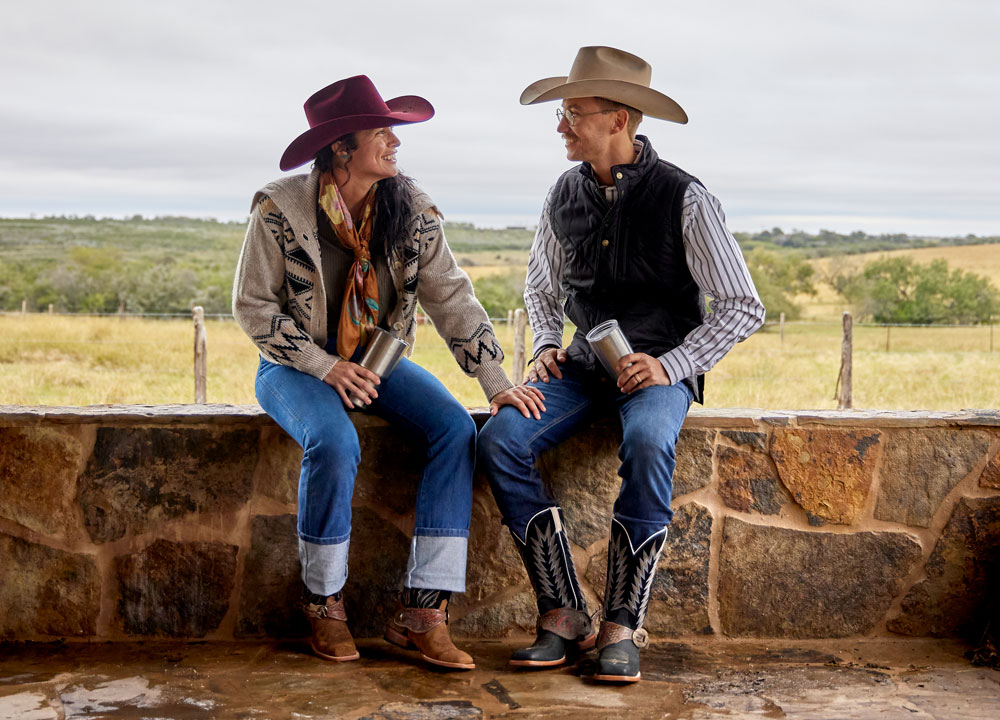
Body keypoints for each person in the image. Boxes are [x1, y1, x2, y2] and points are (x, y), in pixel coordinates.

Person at [233, 75, 543, 670]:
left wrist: (497, 382)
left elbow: (450, 294)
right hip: (293, 366)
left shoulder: (412, 210)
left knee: (455, 428)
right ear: (342, 148)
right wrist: (325, 367)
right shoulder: (280, 209)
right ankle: (324, 606)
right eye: (382, 133)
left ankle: (424, 612)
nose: (395, 144)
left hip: (378, 362)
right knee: (334, 439)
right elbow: (253, 308)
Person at [478, 47, 765, 683]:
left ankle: (620, 625)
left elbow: (744, 306)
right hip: (581, 369)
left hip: (661, 368)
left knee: (646, 438)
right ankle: (562, 614)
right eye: (562, 111)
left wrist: (674, 364)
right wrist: (548, 343)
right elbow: (540, 287)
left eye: (574, 113)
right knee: (499, 436)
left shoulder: (688, 198)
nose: (562, 125)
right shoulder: (563, 192)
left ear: (620, 120)